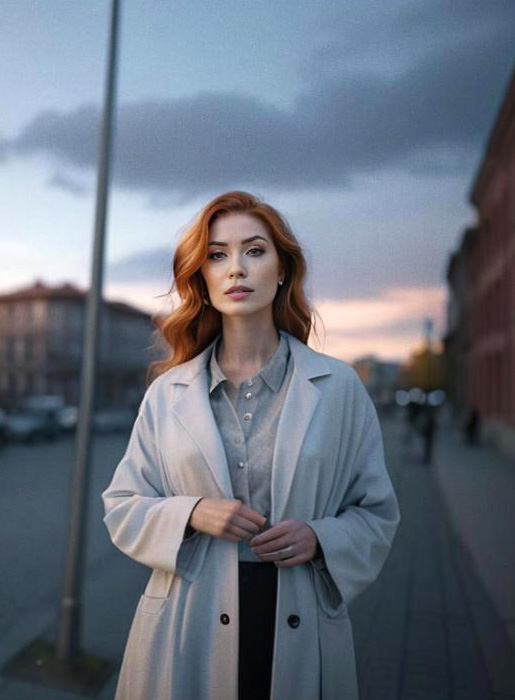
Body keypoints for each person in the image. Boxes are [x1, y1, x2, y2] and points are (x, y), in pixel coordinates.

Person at [102, 191, 401, 700]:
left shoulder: (340, 388)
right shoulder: (166, 393)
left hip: (299, 613)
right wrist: (192, 513)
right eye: (217, 255)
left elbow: (376, 514)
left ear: (282, 269)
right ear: (202, 276)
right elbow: (121, 508)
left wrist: (320, 538)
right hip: (186, 623)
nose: (236, 268)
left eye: (255, 250)